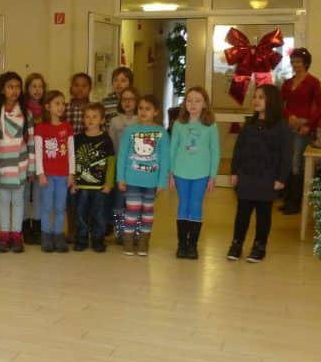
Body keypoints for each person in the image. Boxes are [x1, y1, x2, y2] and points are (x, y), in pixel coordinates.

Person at [228, 84, 292, 262]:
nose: (256, 100)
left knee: (264, 215)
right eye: (255, 96)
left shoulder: (281, 127)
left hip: (268, 178)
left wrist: (282, 178)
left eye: (261, 97)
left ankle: (259, 245)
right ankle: (237, 243)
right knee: (242, 213)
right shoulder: (249, 124)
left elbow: (287, 154)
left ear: (271, 101)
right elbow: (239, 150)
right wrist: (234, 171)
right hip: (247, 177)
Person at [169, 86, 220, 260]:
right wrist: (170, 173)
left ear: (205, 104)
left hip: (201, 174)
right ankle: (182, 244)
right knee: (183, 205)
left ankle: (193, 245)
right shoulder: (178, 124)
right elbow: (172, 149)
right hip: (181, 173)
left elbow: (215, 151)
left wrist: (212, 176)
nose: (193, 104)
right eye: (189, 100)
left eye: (197, 101)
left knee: (196, 206)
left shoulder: (210, 126)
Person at [116, 94, 168, 257]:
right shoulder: (130, 131)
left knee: (147, 212)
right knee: (131, 211)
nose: (143, 112)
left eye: (148, 109)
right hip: (132, 179)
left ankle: (144, 242)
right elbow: (123, 155)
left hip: (151, 181)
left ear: (156, 112)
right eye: (141, 108)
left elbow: (165, 159)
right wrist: (120, 177)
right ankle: (129, 242)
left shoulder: (161, 133)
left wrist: (162, 182)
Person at [0, 72, 36, 253]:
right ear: (2, 89)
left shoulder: (27, 113)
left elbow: (31, 141)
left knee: (18, 202)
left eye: (17, 87)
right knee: (2, 201)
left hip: (20, 164)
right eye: (10, 87)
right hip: (1, 164)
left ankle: (16, 236)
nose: (14, 90)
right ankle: (4, 235)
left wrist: (32, 167)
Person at [278, 48, 321, 215]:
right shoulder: (288, 83)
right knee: (288, 161)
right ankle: (287, 199)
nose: (295, 64)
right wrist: (289, 116)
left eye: (298, 61)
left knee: (297, 163)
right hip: (288, 125)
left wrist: (309, 126)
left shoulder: (313, 82)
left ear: (305, 63)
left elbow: (320, 106)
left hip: (303, 127)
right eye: (293, 61)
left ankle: (296, 203)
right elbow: (280, 103)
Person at [35, 90, 74, 253]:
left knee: (60, 207)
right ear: (47, 106)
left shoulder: (67, 127)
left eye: (63, 103)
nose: (61, 107)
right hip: (48, 176)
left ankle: (58, 235)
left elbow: (71, 152)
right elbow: (38, 153)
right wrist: (40, 173)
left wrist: (71, 173)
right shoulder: (41, 128)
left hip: (63, 176)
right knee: (46, 207)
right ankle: (46, 236)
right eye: (57, 103)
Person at [73, 102, 115, 252]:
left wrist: (109, 183)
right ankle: (81, 238)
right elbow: (72, 161)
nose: (90, 120)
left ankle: (98, 239)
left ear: (102, 120)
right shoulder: (77, 139)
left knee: (99, 214)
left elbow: (111, 162)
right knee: (80, 214)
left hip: (99, 187)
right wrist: (73, 181)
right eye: (87, 117)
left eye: (94, 117)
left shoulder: (106, 139)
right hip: (81, 186)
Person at [108, 86, 139, 240]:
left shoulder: (141, 120)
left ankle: (134, 232)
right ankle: (120, 231)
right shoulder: (115, 121)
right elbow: (111, 145)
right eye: (124, 99)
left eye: (131, 99)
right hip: (120, 169)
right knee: (119, 201)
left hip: (136, 169)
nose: (127, 102)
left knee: (134, 201)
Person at [22, 72, 47, 245]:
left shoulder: (47, 109)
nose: (37, 90)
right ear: (27, 89)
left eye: (40, 86)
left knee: (39, 193)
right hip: (23, 157)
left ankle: (37, 227)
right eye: (33, 86)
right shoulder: (22, 109)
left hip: (42, 158)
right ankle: (24, 227)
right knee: (24, 193)